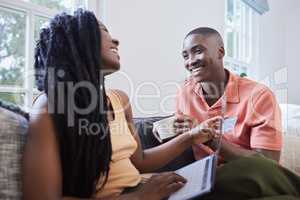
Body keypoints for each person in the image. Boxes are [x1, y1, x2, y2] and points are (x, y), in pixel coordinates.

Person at [22, 10, 300, 200]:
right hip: (142, 194)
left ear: (221, 52)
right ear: (76, 43)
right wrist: (141, 196)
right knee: (255, 171)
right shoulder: (48, 109)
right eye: (103, 31)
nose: (116, 39)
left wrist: (192, 136)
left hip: (155, 187)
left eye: (198, 51)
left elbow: (139, 161)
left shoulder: (119, 99)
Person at [174, 27, 282, 163]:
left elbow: (268, 163)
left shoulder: (259, 96)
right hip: (201, 175)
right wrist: (170, 133)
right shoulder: (184, 92)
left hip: (245, 176)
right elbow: (182, 141)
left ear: (220, 52)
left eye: (198, 51)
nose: (191, 61)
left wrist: (210, 138)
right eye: (185, 56)